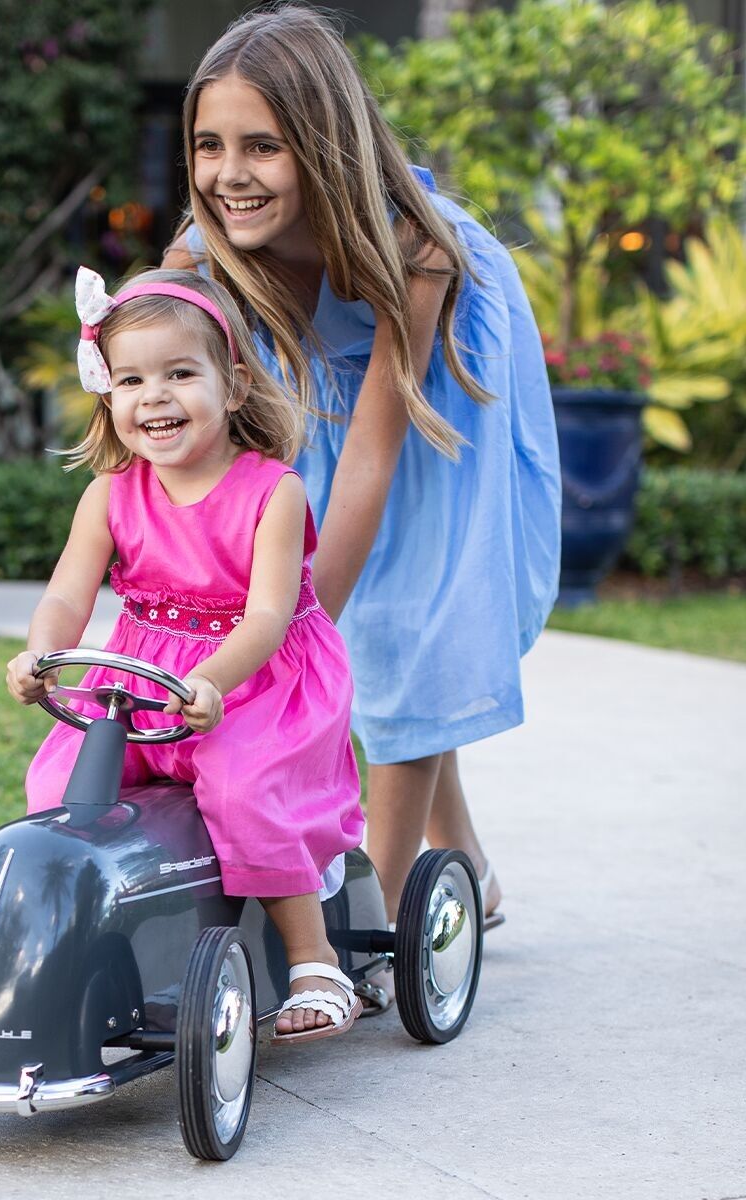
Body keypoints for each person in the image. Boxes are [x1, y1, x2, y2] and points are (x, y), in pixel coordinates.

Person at [162, 3, 561, 1004]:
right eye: (210, 145)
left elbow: (377, 456)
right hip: (319, 397)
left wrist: (294, 640)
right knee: (320, 593)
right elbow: (192, 443)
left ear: (326, 148)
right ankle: (459, 858)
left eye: (265, 146)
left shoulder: (415, 251)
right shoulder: (199, 261)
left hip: (442, 392)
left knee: (404, 622)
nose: (229, 173)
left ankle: (378, 916)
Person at [7, 265, 365, 1042]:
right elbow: (69, 595)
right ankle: (87, 938)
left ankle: (314, 959)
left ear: (232, 385)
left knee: (241, 786)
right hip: (141, 675)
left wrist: (210, 681)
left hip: (256, 678)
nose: (154, 396)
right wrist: (41, 654)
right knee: (65, 780)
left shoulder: (273, 491)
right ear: (108, 394)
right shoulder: (110, 492)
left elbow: (269, 615)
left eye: (179, 373)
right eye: (130, 378)